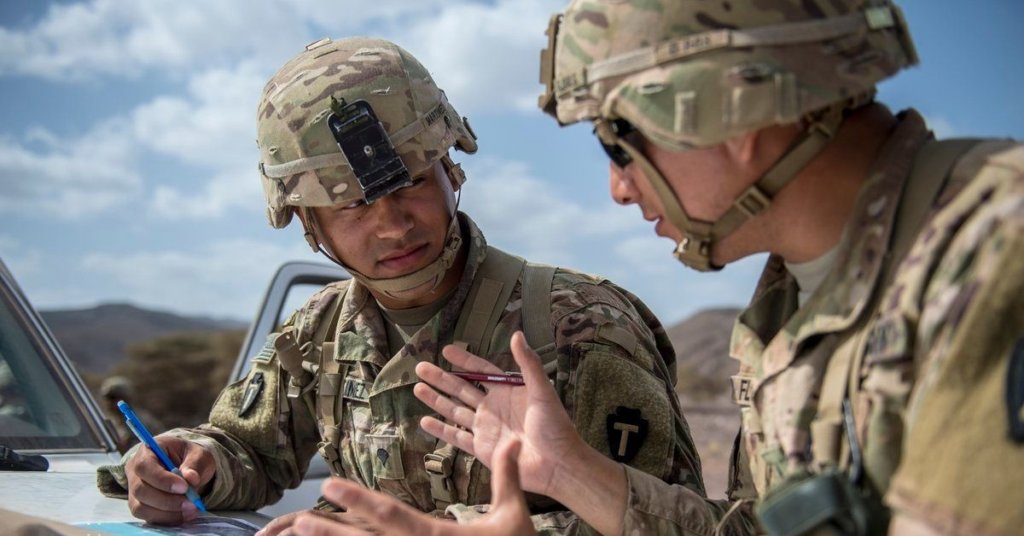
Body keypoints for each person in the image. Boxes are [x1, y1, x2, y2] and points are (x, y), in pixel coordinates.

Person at [293, 1, 1024, 535]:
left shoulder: (995, 256)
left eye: (620, 142)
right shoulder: (792, 305)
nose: (618, 187)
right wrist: (573, 474)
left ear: (725, 109)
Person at [93, 36, 714, 534]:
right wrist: (191, 466)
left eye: (411, 181)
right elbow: (248, 449)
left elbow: (670, 522)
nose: (392, 226)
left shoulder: (581, 325)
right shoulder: (317, 333)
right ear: (308, 222)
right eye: (352, 205)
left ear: (450, 168)